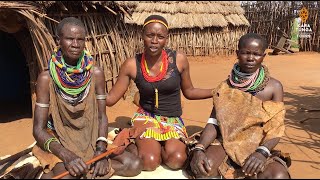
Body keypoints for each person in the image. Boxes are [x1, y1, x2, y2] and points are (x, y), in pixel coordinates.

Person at [32, 17, 142, 179]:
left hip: (90, 136)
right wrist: (65, 155)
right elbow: (38, 129)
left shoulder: (95, 73)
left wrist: (101, 152)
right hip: (60, 140)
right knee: (67, 176)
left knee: (134, 165)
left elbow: (101, 116)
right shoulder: (46, 79)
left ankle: (88, 168)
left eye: (80, 39)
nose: (75, 44)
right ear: (59, 40)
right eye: (70, 39)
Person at [105, 15, 213, 171]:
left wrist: (216, 91)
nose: (154, 41)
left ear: (166, 39)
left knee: (177, 160)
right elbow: (110, 99)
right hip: (146, 118)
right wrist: (90, 86)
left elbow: (189, 91)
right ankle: (141, 146)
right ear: (142, 35)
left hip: (172, 120)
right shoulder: (131, 65)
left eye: (160, 37)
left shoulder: (179, 60)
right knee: (149, 161)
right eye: (150, 35)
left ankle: (159, 147)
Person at [188, 33, 291, 179]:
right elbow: (214, 122)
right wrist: (199, 148)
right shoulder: (225, 86)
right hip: (226, 141)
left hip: (258, 144)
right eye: (245, 53)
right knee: (204, 169)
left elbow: (276, 128)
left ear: (263, 56)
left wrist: (262, 152)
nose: (250, 58)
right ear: (237, 53)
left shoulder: (273, 87)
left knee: (278, 175)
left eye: (256, 54)